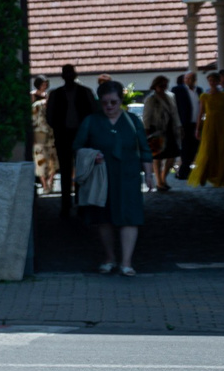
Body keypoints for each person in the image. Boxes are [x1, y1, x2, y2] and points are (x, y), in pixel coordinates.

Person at [77, 78, 150, 272]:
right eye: (105, 102)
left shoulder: (132, 121)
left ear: (121, 100)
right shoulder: (91, 121)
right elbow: (77, 146)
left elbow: (144, 148)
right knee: (104, 218)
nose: (109, 106)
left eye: (113, 102)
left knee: (130, 216)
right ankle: (109, 258)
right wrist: (92, 155)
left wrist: (150, 175)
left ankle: (126, 262)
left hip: (128, 175)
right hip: (103, 176)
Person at [45, 66, 97, 213]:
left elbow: (49, 116)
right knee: (68, 170)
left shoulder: (81, 92)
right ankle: (68, 203)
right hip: (65, 135)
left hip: (77, 135)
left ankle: (77, 202)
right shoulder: (61, 94)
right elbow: (50, 117)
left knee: (78, 170)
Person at [190, 67, 224, 188]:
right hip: (209, 124)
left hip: (222, 124)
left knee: (222, 151)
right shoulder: (204, 96)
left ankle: (222, 177)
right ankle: (204, 175)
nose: (212, 82)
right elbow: (200, 113)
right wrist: (198, 129)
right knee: (207, 149)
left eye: (214, 80)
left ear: (218, 81)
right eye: (210, 80)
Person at [143, 74, 179, 191]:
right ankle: (159, 181)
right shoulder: (151, 99)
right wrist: (146, 130)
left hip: (170, 128)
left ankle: (163, 177)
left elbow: (175, 113)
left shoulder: (170, 96)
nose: (163, 87)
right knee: (157, 157)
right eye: (161, 85)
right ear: (155, 86)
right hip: (156, 129)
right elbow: (146, 116)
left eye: (165, 85)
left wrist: (179, 126)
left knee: (172, 155)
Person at [30, 74, 57, 193]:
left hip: (50, 132)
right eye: (42, 83)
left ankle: (49, 182)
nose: (44, 85)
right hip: (40, 131)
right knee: (41, 158)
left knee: (52, 158)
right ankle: (44, 184)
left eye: (46, 83)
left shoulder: (50, 97)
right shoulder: (33, 95)